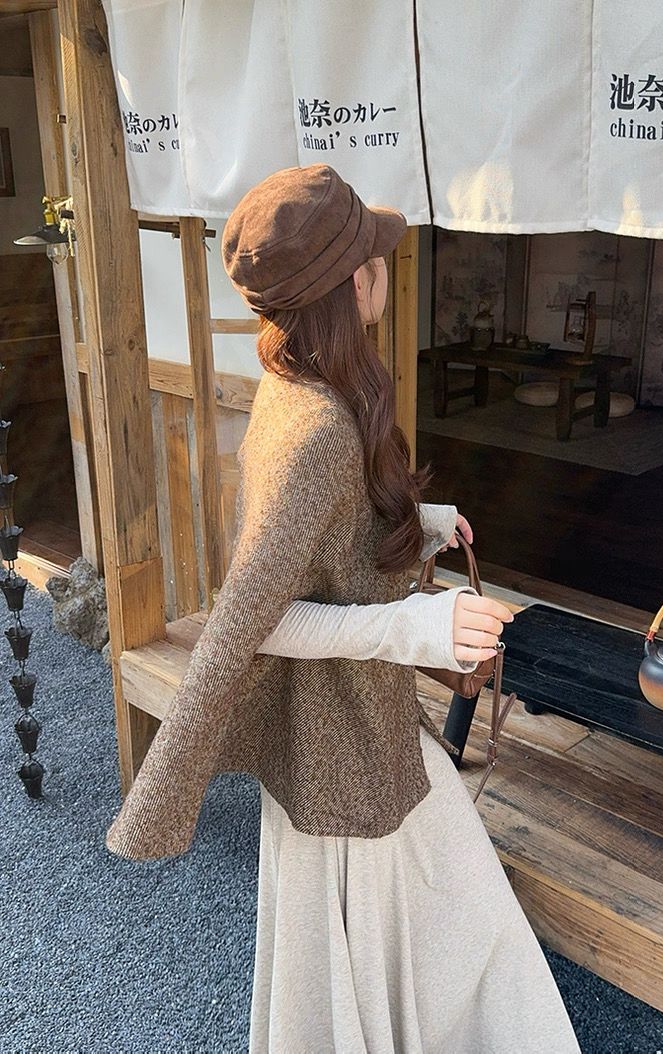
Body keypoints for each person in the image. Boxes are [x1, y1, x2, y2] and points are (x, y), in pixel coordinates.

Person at [105, 164, 580, 1053]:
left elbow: (319, 543)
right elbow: (256, 617)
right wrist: (416, 627)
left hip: (352, 729)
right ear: (352, 285)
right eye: (372, 254)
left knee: (435, 931)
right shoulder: (317, 426)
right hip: (341, 750)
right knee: (438, 939)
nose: (383, 267)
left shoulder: (301, 386)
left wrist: (419, 523)